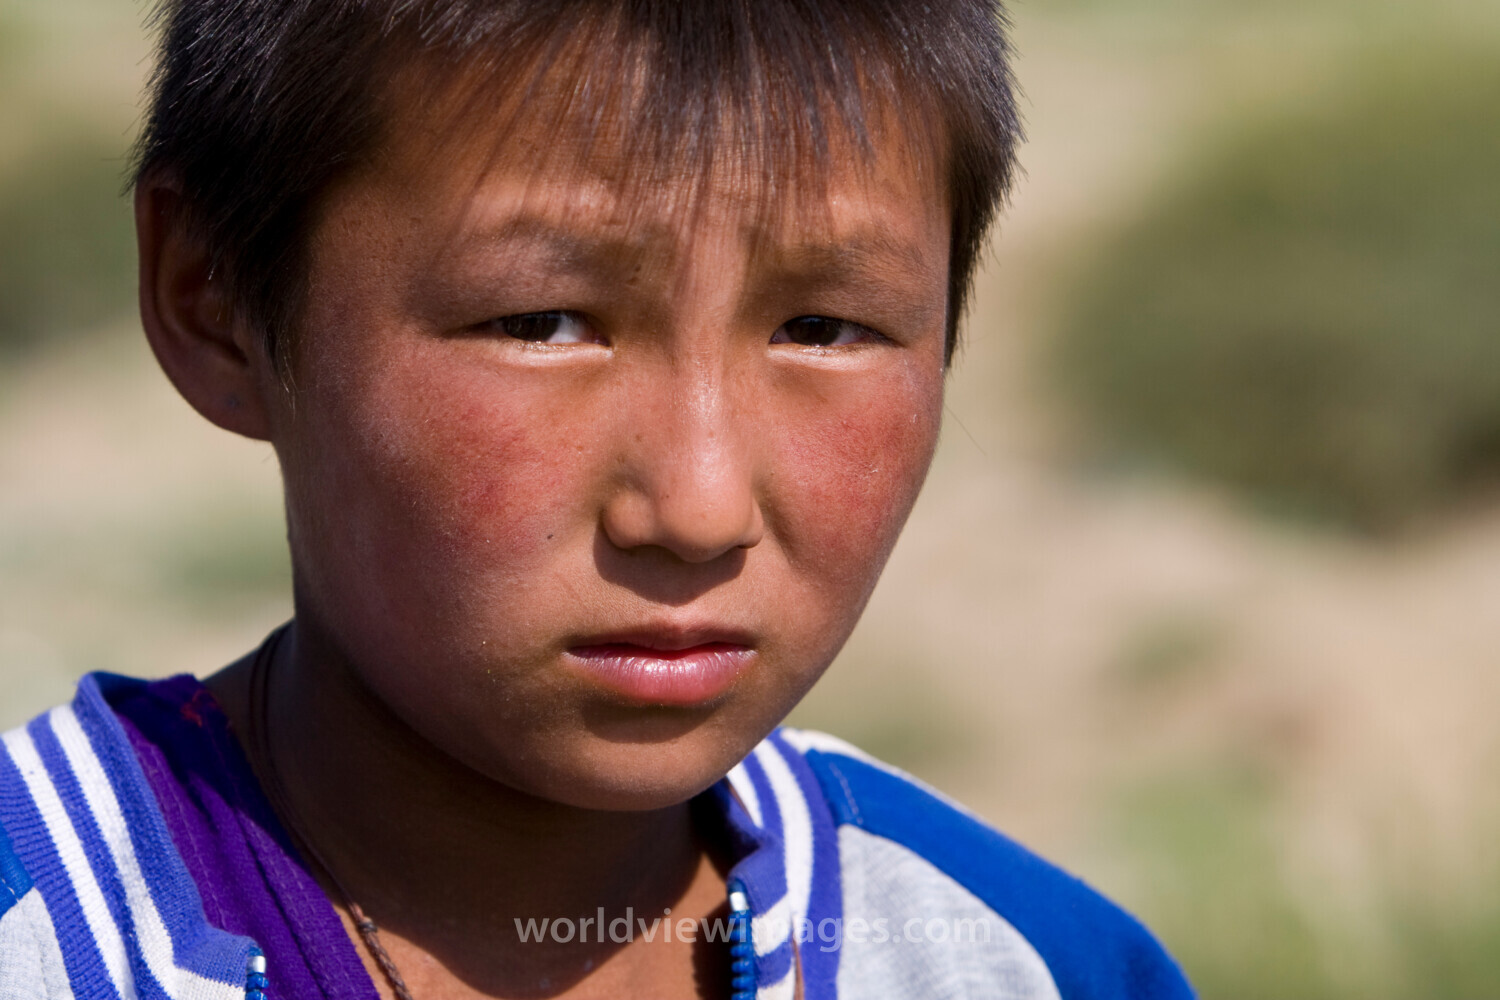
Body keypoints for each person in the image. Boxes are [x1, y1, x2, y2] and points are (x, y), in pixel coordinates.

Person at [0, 1, 1194, 998]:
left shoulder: (1027, 962)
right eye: (540, 322)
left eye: (823, 328)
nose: (697, 505)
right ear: (213, 300)